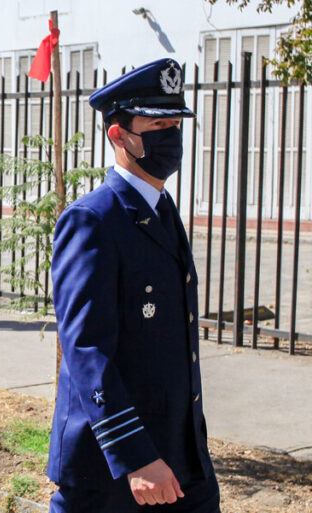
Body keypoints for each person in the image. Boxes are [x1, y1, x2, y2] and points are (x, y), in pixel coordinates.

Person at [47, 58, 220, 513]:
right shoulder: (93, 219)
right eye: (157, 124)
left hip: (181, 454)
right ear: (119, 135)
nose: (171, 135)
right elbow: (86, 349)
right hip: (113, 470)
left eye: (175, 124)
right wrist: (135, 456)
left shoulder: (162, 209)